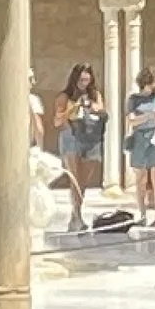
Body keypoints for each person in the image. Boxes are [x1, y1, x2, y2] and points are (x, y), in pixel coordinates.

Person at [56, 61, 106, 229]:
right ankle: (77, 216)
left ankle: (76, 212)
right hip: (71, 136)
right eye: (81, 80)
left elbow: (102, 109)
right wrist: (73, 108)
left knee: (84, 180)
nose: (84, 84)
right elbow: (57, 120)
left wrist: (91, 106)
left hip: (90, 137)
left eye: (87, 80)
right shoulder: (65, 96)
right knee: (74, 178)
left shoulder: (94, 95)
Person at [125, 67, 155, 225]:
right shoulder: (134, 99)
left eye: (154, 83)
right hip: (140, 139)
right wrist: (150, 115)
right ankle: (142, 214)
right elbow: (131, 120)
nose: (152, 86)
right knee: (140, 179)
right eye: (150, 83)